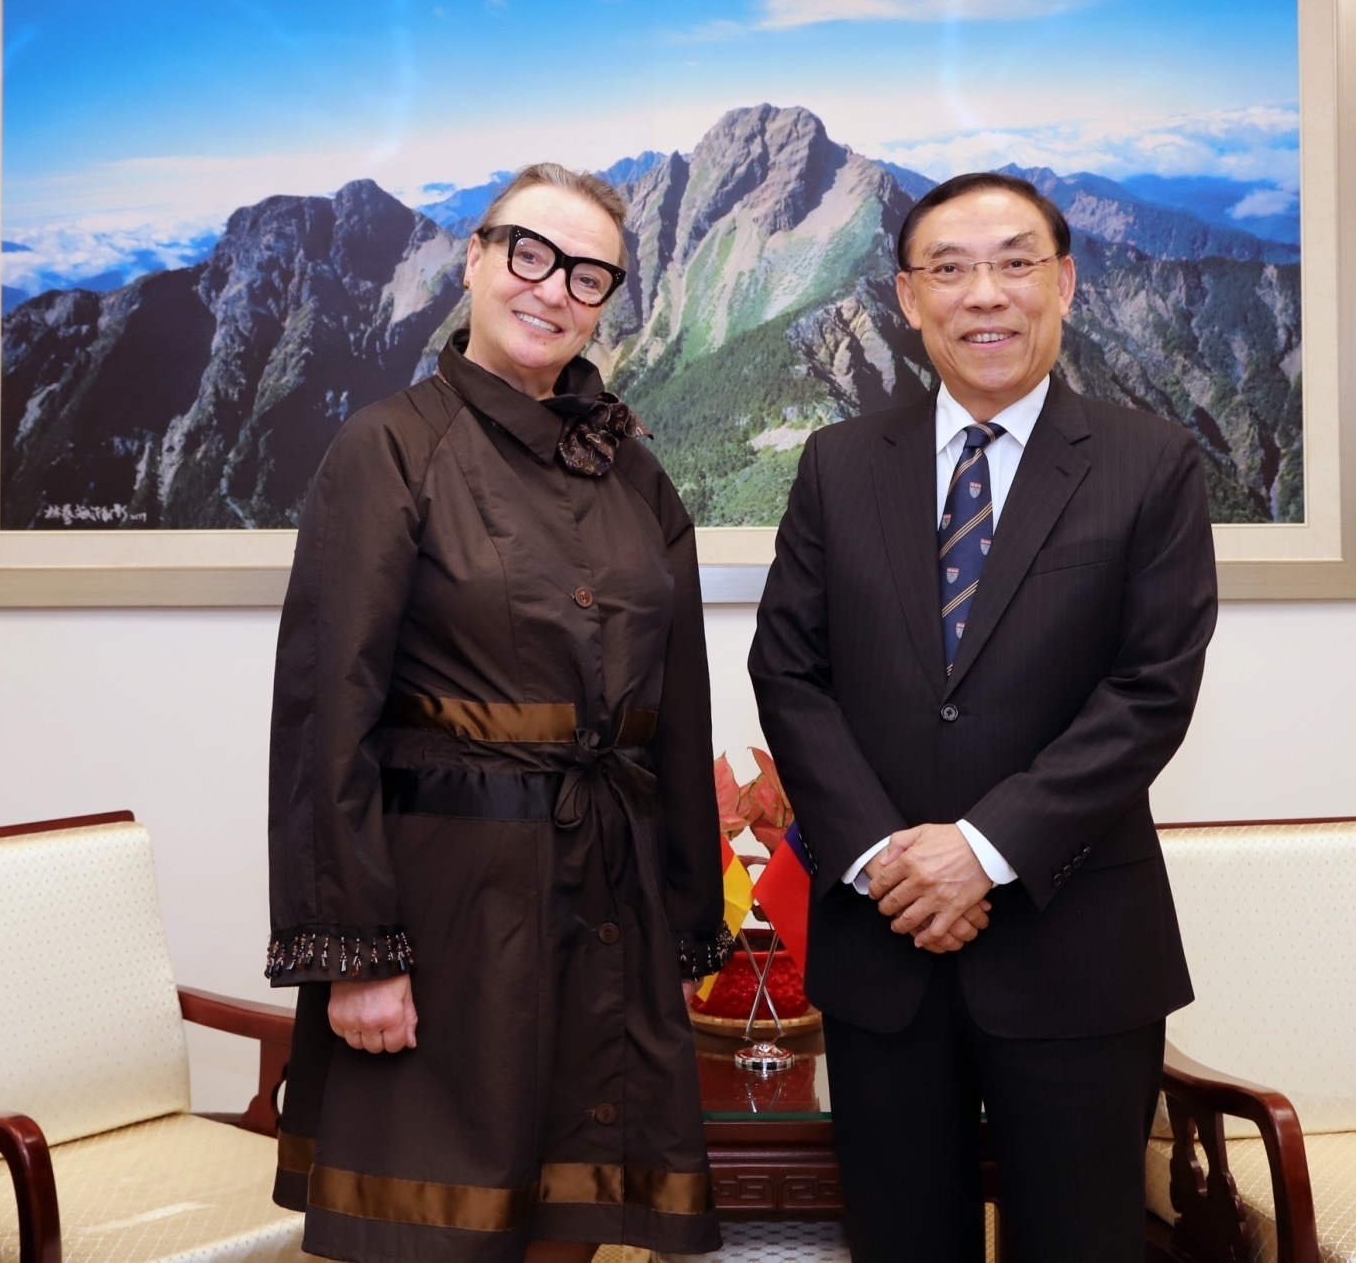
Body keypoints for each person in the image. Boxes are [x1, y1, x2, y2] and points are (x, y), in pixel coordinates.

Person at [748, 172, 1217, 1261]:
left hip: (1075, 948)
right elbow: (788, 671)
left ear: (1063, 283)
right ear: (908, 300)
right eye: (948, 270)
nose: (983, 295)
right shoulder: (837, 465)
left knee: (1081, 1241)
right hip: (882, 950)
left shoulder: (1149, 465)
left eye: (1013, 263)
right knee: (900, 1240)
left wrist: (982, 851)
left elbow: (1150, 689)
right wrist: (879, 857)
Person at [264, 163, 729, 1263]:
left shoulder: (637, 476)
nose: (553, 288)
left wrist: (683, 904)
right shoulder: (385, 448)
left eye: (587, 275)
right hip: (443, 916)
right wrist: (358, 954)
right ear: (474, 260)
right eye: (530, 253)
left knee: (571, 1217)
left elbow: (677, 708)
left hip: (604, 900)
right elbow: (324, 713)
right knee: (437, 1237)